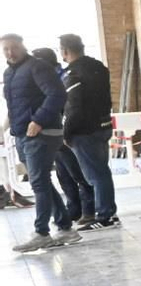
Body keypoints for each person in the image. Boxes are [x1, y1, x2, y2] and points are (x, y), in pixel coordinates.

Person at [4, 33, 73, 252]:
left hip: (42, 133)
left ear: (23, 46)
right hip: (22, 134)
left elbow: (57, 94)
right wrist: (5, 128)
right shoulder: (9, 73)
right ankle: (65, 227)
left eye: (14, 47)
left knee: (38, 182)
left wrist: (38, 120)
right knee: (41, 180)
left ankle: (42, 232)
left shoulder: (38, 67)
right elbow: (15, 105)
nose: (10, 52)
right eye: (5, 49)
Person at [59, 32, 119, 229]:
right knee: (102, 171)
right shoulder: (99, 68)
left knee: (96, 175)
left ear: (65, 51)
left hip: (84, 131)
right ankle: (108, 212)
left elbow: (74, 107)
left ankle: (105, 216)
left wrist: (66, 133)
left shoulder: (73, 74)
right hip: (103, 125)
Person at [30, 47, 93, 232]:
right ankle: (73, 210)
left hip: (65, 131)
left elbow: (69, 107)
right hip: (52, 132)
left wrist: (66, 130)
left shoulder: (61, 77)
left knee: (77, 173)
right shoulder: (44, 78)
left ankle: (89, 210)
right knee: (63, 175)